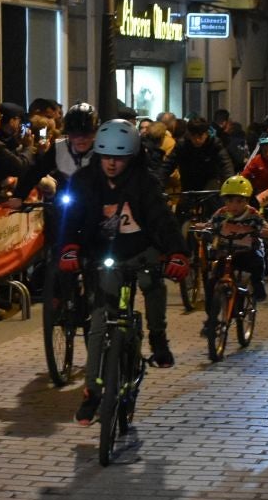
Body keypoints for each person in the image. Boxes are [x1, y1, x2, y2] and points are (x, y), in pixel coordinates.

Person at [60, 118, 189, 416]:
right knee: (99, 319)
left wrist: (177, 253)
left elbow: (161, 219)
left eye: (119, 158)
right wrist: (69, 248)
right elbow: (71, 218)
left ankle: (158, 337)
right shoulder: (83, 181)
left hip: (139, 250)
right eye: (106, 156)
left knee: (151, 282)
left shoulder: (145, 182)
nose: (112, 164)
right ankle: (92, 390)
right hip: (104, 254)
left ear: (131, 157)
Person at [200, 174, 268, 338]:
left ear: (247, 201)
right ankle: (211, 319)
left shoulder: (253, 215)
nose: (234, 206)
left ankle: (258, 286)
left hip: (246, 252)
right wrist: (203, 228)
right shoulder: (221, 214)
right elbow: (210, 225)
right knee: (211, 283)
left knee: (257, 264)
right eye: (229, 201)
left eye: (239, 201)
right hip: (226, 251)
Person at [162, 116, 236, 193]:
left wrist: (230, 184)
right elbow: (167, 166)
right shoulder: (182, 145)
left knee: (212, 200)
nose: (197, 140)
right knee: (185, 203)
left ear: (206, 134)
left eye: (200, 136)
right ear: (189, 135)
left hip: (210, 183)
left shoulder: (214, 144)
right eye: (193, 136)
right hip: (188, 183)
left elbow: (226, 165)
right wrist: (158, 185)